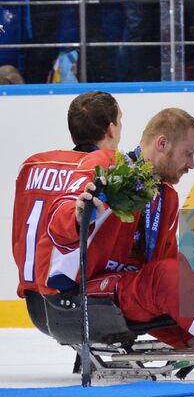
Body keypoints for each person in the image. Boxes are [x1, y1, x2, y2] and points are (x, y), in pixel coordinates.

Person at [41, 108, 194, 367]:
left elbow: (161, 288)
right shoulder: (110, 174)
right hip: (78, 294)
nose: (192, 164)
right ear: (163, 143)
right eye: (188, 154)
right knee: (167, 272)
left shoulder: (167, 197)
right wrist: (79, 214)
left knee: (174, 265)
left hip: (120, 290)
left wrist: (185, 338)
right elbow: (57, 222)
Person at [13, 90, 121, 300]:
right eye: (119, 121)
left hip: (31, 292)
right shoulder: (102, 170)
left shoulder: (31, 165)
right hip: (69, 294)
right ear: (111, 129)